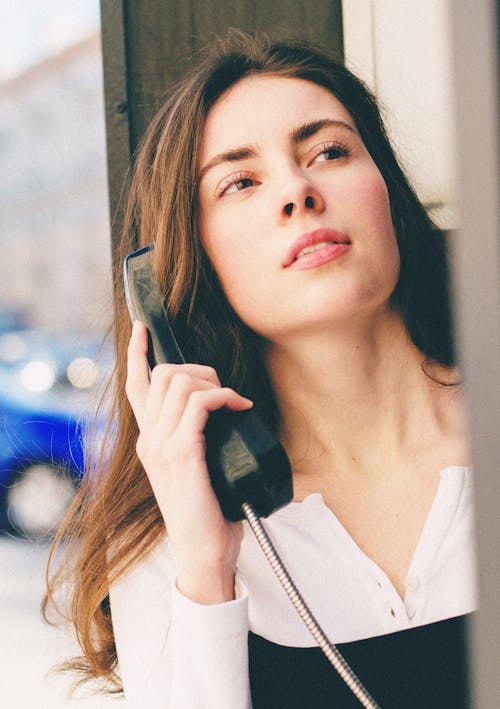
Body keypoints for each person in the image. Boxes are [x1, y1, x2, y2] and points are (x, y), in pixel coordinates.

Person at [45, 33, 477, 708]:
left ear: (388, 193)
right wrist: (206, 571)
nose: (298, 190)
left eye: (329, 151)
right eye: (240, 181)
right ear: (194, 258)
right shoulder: (174, 543)